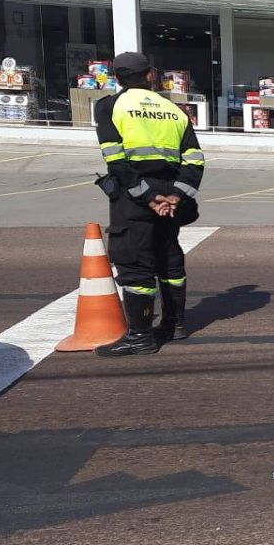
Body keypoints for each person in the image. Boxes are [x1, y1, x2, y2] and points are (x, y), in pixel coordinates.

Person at [92, 51, 205, 357]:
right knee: (168, 257)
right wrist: (175, 196)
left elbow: (115, 158)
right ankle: (174, 324)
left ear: (117, 77)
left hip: (136, 198)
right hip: (171, 197)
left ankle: (141, 335)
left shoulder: (110, 106)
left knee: (134, 261)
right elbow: (194, 159)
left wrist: (147, 196)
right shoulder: (174, 110)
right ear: (151, 75)